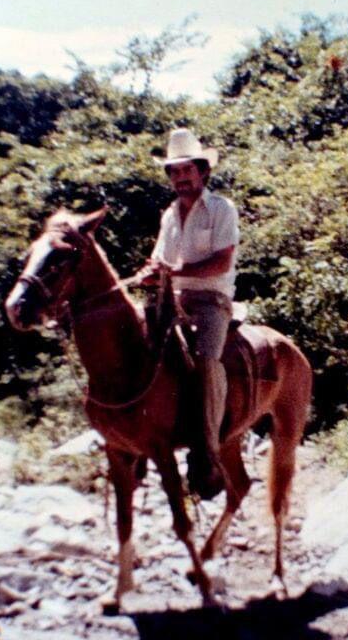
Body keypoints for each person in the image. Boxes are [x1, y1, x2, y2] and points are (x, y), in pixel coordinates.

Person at [139, 128, 239, 499]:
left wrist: (173, 271)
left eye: (187, 170)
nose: (181, 178)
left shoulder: (221, 209)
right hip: (173, 296)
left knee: (206, 361)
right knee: (135, 342)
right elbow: (160, 257)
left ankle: (207, 453)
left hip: (212, 299)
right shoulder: (169, 215)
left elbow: (221, 261)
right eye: (174, 172)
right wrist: (153, 271)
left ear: (202, 171)